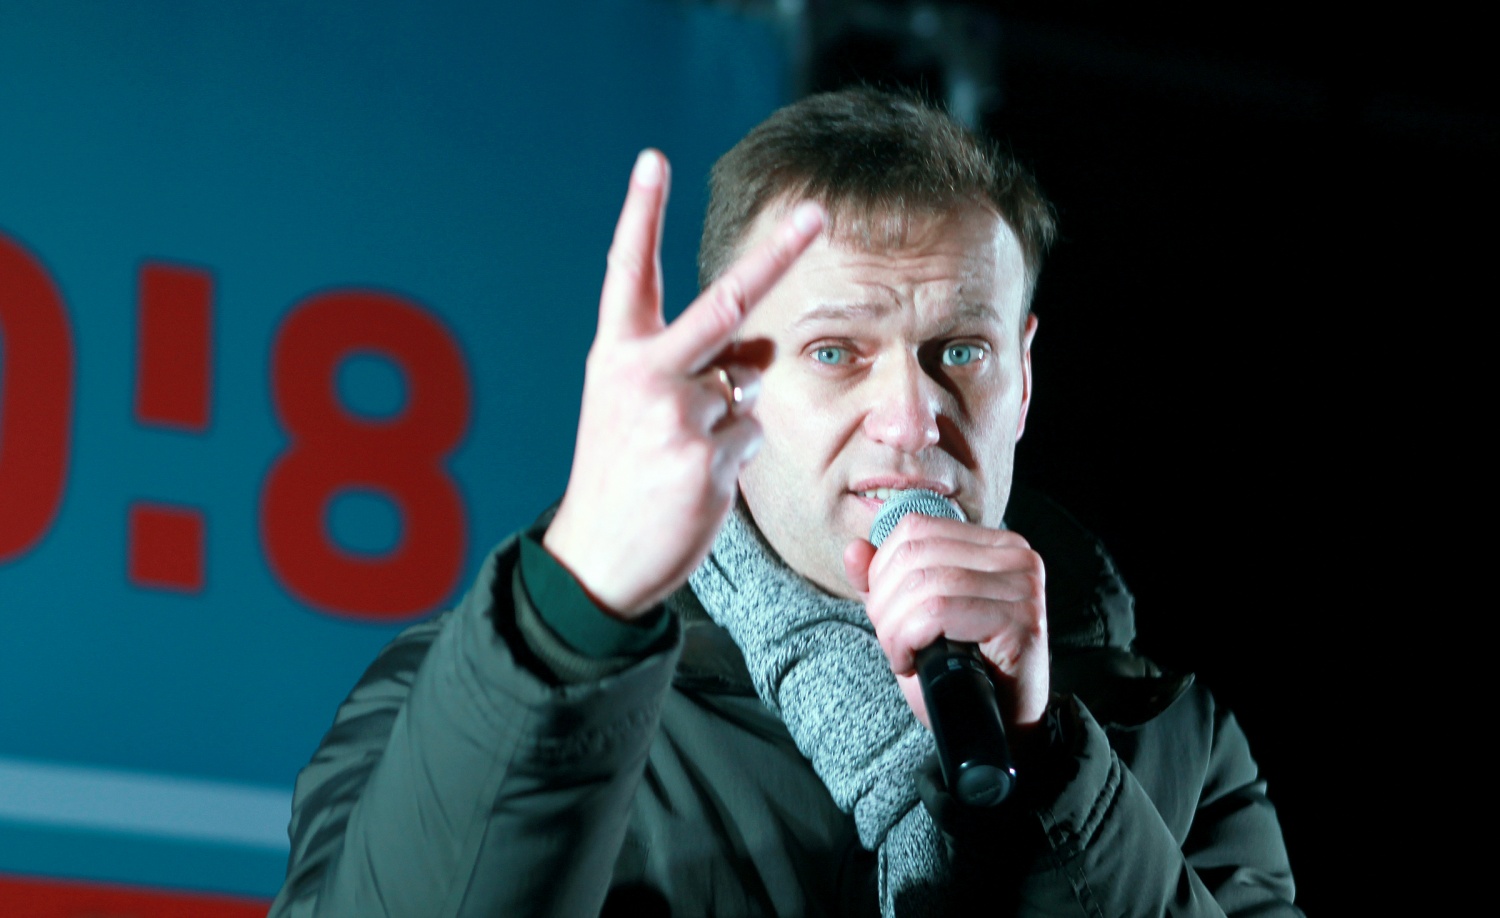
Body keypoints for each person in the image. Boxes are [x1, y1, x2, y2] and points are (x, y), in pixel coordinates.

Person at [269, 88, 1299, 917]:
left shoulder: (1171, 741)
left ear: (1023, 380)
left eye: (960, 352)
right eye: (836, 352)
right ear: (729, 375)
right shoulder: (503, 691)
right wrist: (570, 626)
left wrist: (1047, 770)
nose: (911, 418)